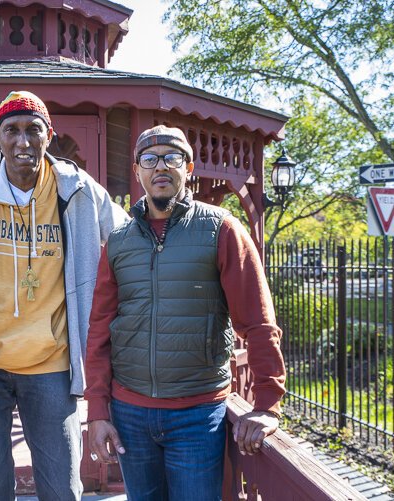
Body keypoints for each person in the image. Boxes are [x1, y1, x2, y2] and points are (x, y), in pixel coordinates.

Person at [0, 90, 128, 500]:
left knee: (62, 488)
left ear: (49, 135)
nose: (22, 141)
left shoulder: (79, 192)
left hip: (51, 364)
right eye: (12, 131)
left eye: (33, 130)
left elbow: (128, 243)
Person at [84, 125, 286, 501]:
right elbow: (100, 329)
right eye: (150, 159)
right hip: (130, 412)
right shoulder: (118, 241)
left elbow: (257, 322)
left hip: (197, 415)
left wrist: (267, 405)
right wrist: (98, 410)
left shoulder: (221, 229)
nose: (160, 166)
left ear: (188, 167)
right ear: (137, 170)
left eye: (171, 157)